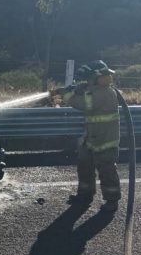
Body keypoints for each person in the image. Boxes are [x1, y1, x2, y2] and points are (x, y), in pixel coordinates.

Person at [50, 61, 121, 207]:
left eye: (88, 79)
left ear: (95, 78)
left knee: (107, 171)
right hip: (91, 138)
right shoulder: (96, 90)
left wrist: (66, 94)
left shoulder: (105, 93)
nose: (87, 82)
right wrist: (79, 89)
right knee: (85, 168)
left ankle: (112, 201)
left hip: (105, 141)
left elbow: (83, 104)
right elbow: (88, 95)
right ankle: (84, 196)